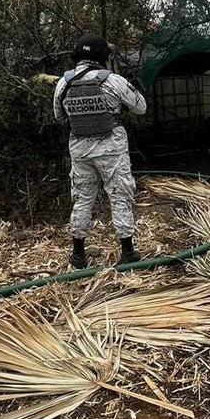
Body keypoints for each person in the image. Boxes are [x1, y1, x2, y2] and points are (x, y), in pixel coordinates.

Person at [53, 35, 147, 269]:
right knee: (120, 196)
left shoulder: (63, 83)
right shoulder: (113, 81)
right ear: (102, 57)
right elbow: (141, 108)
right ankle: (127, 252)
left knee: (82, 199)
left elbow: (59, 116)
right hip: (111, 147)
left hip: (79, 148)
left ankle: (78, 255)